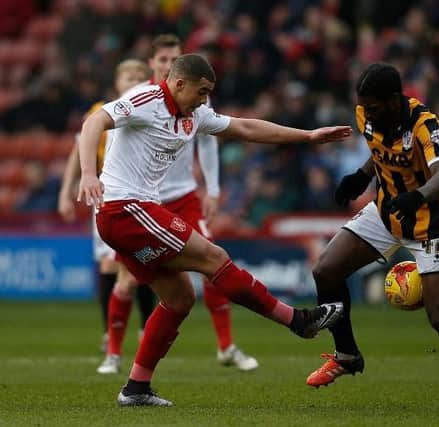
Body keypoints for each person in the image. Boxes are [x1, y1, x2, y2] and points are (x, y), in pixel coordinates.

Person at [77, 53, 351, 407]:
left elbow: (247, 128)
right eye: (201, 91)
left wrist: (309, 136)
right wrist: (87, 173)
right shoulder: (146, 99)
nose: (204, 99)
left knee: (180, 299)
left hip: (131, 216)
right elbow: (94, 121)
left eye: (208, 92)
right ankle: (298, 320)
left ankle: (136, 388)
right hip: (126, 209)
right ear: (178, 84)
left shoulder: (194, 115)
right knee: (214, 257)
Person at [304, 63, 439, 411]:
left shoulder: (426, 124)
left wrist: (417, 196)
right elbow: (380, 153)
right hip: (386, 211)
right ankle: (346, 355)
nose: (367, 114)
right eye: (364, 106)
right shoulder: (366, 114)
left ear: (395, 99)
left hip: (429, 223)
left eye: (374, 107)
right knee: (325, 271)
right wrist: (362, 176)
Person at [97, 34, 258, 375]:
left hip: (182, 196)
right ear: (154, 64)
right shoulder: (137, 99)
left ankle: (226, 346)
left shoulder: (196, 102)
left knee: (211, 261)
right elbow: (106, 134)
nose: (168, 63)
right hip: (137, 204)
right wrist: (95, 181)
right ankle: (113, 354)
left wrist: (212, 189)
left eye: (175, 57)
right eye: (162, 59)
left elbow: (215, 138)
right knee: (127, 280)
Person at [58, 59, 156, 353]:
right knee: (109, 263)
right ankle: (109, 333)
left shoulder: (151, 107)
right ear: (117, 82)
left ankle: (145, 328)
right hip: (106, 192)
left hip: (145, 191)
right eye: (129, 75)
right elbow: (78, 152)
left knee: (145, 261)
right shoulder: (100, 112)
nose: (135, 80)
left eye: (140, 75)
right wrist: (66, 191)